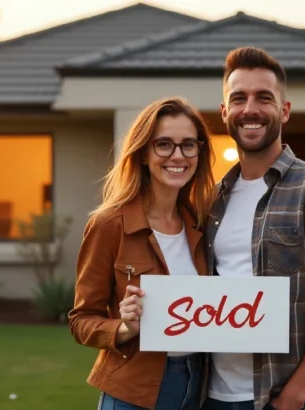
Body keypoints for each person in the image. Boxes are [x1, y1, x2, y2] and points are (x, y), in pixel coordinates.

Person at [202, 47, 305, 410]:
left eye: (264, 98)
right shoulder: (213, 200)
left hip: (284, 399)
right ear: (224, 112)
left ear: (284, 110)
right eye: (239, 98)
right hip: (213, 397)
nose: (250, 109)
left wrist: (295, 396)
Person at [68, 97, 216, 410]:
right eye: (164, 144)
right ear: (144, 153)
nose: (178, 155)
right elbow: (81, 320)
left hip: (199, 386)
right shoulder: (109, 225)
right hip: (133, 392)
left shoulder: (203, 224)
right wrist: (122, 327)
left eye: (188, 145)